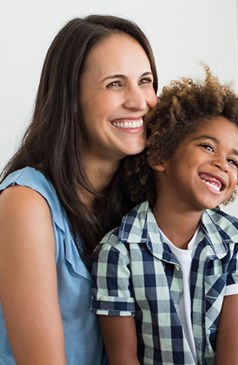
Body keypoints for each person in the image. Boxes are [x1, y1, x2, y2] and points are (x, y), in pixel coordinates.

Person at [0, 14, 158, 365]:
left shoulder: (141, 201)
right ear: (71, 96)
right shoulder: (26, 204)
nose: (139, 101)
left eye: (145, 81)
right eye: (115, 84)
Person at [92, 67, 238, 365]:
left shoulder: (237, 241)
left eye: (232, 160)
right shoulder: (117, 251)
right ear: (160, 156)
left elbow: (232, 337)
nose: (222, 164)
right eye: (207, 146)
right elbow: (123, 356)